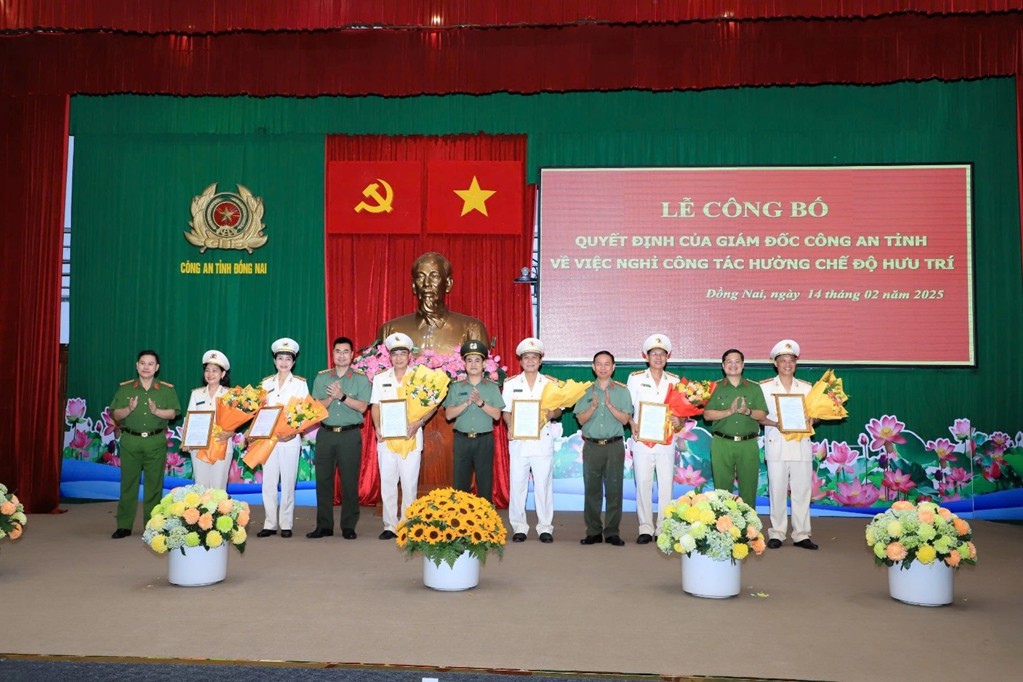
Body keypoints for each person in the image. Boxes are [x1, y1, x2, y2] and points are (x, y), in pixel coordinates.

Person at [109, 350, 181, 538]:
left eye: (150, 364)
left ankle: (153, 525)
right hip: (130, 441)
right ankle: (124, 525)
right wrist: (129, 408)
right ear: (137, 366)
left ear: (157, 368)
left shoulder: (166, 389)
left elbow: (173, 413)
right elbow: (116, 414)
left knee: (154, 486)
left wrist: (157, 411)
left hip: (155, 441)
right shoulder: (125, 388)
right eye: (142, 363)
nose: (146, 367)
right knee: (128, 484)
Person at [370, 332, 435, 540]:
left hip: (411, 438)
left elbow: (432, 406)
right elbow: (375, 406)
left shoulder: (419, 378)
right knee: (388, 483)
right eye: (395, 354)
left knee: (409, 484)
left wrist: (419, 422)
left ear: (409, 356)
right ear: (390, 356)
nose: (398, 358)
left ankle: (408, 524)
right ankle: (390, 525)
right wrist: (377, 427)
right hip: (387, 440)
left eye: (402, 354)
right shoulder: (380, 378)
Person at [307, 337, 371, 540]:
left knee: (349, 482)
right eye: (338, 351)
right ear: (332, 354)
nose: (341, 355)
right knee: (323, 481)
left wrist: (342, 396)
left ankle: (348, 526)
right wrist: (331, 397)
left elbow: (363, 407)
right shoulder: (322, 378)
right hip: (326, 434)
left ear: (352, 355)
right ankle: (324, 525)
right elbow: (315, 408)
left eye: (345, 352)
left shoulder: (360, 379)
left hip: (349, 435)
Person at [501, 337, 562, 543]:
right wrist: (510, 426)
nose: (530, 361)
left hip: (542, 441)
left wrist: (551, 413)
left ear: (540, 361)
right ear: (520, 361)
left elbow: (559, 409)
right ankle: (519, 527)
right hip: (519, 442)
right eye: (526, 357)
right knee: (517, 485)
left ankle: (545, 527)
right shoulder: (511, 384)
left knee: (543, 486)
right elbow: (506, 411)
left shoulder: (550, 383)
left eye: (534, 357)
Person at [759, 339, 818, 550]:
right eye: (783, 360)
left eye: (791, 360)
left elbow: (815, 414)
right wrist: (776, 423)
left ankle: (802, 534)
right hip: (777, 443)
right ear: (775, 363)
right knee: (777, 490)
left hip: (801, 445)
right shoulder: (764, 387)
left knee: (802, 491)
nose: (787, 364)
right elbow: (759, 416)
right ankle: (777, 533)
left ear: (796, 363)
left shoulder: (807, 388)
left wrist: (813, 419)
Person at [574, 351, 633, 546]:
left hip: (614, 446)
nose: (603, 368)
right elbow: (580, 420)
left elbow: (625, 419)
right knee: (592, 490)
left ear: (613, 367)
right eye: (599, 364)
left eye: (607, 364)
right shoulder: (584, 391)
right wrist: (592, 407)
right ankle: (593, 531)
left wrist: (609, 406)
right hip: (592, 446)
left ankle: (612, 532)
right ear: (593, 367)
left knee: (615, 490)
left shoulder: (622, 391)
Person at [626, 334, 680, 545]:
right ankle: (646, 528)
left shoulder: (674, 381)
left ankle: (664, 528)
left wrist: (680, 420)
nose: (658, 357)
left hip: (666, 441)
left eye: (662, 354)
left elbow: (681, 412)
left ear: (668, 357)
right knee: (643, 484)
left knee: (666, 486)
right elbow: (627, 408)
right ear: (646, 357)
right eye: (654, 354)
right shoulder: (636, 378)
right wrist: (632, 423)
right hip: (642, 441)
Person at [377, 252, 489, 351]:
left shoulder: (472, 329)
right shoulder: (391, 330)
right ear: (413, 285)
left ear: (448, 284)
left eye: (434, 276)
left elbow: (482, 366)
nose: (427, 283)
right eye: (420, 277)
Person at [257, 337, 309, 539]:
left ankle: (286, 523)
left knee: (288, 482)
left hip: (290, 440)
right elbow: (259, 411)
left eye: (288, 358)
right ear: (274, 360)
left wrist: (292, 432)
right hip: (269, 440)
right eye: (280, 358)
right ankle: (269, 523)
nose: (284, 362)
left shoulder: (300, 384)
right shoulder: (266, 383)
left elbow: (305, 412)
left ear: (293, 362)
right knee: (268, 482)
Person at [703, 349, 768, 507]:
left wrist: (748, 412)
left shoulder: (754, 388)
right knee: (722, 490)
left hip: (748, 444)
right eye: (729, 362)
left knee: (749, 487)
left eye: (737, 361)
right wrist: (729, 412)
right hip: (722, 443)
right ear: (723, 365)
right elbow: (707, 415)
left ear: (743, 365)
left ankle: (748, 521)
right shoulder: (714, 387)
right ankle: (723, 521)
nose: (733, 365)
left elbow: (762, 414)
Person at [443, 339, 505, 501]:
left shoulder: (492, 387)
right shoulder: (456, 387)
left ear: (484, 364)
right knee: (460, 483)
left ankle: (485, 514)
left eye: (477, 360)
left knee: (484, 482)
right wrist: (467, 402)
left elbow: (497, 415)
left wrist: (480, 402)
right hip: (462, 440)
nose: (473, 364)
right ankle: (459, 514)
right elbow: (449, 415)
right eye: (469, 360)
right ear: (464, 365)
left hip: (484, 440)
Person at [182, 350, 233, 491]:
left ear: (223, 374)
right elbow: (189, 418)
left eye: (215, 370)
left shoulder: (230, 395)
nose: (210, 374)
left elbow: (235, 420)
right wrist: (186, 440)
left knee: (218, 488)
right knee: (200, 487)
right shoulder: (196, 394)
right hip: (199, 447)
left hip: (221, 445)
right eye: (207, 370)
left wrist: (230, 432)